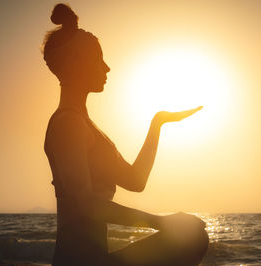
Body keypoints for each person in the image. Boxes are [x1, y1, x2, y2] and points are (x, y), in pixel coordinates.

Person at [42, 3, 208, 266]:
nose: (106, 68)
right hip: (78, 262)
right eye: (98, 58)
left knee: (193, 234)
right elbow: (86, 203)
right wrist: (160, 222)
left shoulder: (86, 125)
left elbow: (135, 180)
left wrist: (158, 123)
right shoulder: (67, 124)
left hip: (100, 259)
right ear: (75, 62)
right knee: (191, 238)